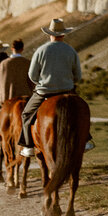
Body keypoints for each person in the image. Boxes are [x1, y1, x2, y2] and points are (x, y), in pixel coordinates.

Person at [19, 18, 91, 157]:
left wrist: (41, 82)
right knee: (81, 111)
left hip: (44, 91)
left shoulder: (41, 50)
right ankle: (86, 139)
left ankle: (28, 146)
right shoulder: (71, 51)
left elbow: (32, 75)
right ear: (63, 34)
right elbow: (78, 76)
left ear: (49, 34)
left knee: (26, 114)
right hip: (67, 91)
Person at [0, 39, 32, 142]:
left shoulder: (4, 63)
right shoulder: (28, 63)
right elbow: (32, 81)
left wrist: (3, 96)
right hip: (26, 97)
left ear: (12, 49)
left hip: (9, 98)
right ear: (22, 49)